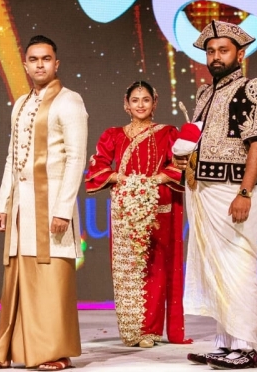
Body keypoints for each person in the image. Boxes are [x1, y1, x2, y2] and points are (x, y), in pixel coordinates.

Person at [0, 35, 87, 371]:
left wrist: (63, 210)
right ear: (25, 64)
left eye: (46, 59)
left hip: (52, 207)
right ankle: (4, 349)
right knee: (18, 278)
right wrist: (2, 203)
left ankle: (56, 352)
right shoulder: (20, 103)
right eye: (33, 59)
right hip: (23, 207)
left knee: (51, 279)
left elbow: (76, 158)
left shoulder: (70, 101)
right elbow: (12, 157)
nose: (39, 65)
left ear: (56, 63)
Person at [173, 20, 257, 370]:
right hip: (203, 189)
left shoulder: (251, 87)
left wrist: (244, 192)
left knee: (238, 264)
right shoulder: (204, 93)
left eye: (223, 50)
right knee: (215, 266)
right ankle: (225, 343)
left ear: (239, 54)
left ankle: (245, 345)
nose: (216, 56)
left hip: (234, 188)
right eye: (211, 51)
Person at [85, 81, 191, 348]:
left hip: (158, 206)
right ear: (126, 104)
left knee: (156, 267)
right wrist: (121, 178)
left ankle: (150, 331)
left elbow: (180, 166)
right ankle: (132, 329)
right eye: (135, 100)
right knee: (128, 269)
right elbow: (97, 167)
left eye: (146, 100)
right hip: (125, 208)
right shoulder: (113, 135)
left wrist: (156, 179)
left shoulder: (168, 133)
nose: (140, 105)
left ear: (155, 103)